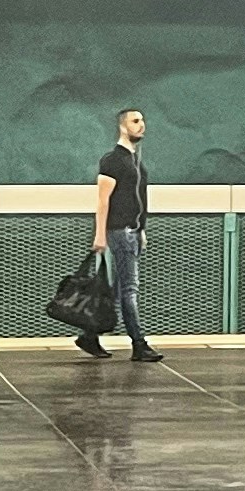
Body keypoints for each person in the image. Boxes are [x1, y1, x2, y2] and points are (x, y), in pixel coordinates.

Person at [80, 105, 160, 364]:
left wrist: (142, 230)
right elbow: (103, 201)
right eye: (136, 121)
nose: (142, 125)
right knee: (130, 289)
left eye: (143, 120)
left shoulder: (134, 161)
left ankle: (89, 335)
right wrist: (100, 235)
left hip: (133, 232)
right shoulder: (112, 161)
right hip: (120, 231)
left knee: (118, 290)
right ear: (123, 126)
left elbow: (139, 200)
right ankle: (139, 343)